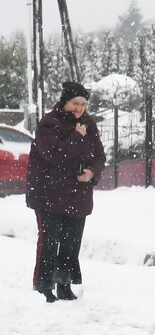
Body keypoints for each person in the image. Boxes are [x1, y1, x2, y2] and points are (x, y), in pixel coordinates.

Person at [26, 81, 107, 303]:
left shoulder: (88, 124)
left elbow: (100, 156)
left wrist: (92, 172)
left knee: (71, 243)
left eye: (83, 104)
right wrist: (77, 136)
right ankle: (43, 287)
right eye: (75, 103)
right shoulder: (48, 125)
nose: (79, 108)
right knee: (50, 240)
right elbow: (55, 156)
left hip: (77, 194)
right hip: (49, 194)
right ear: (65, 103)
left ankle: (64, 284)